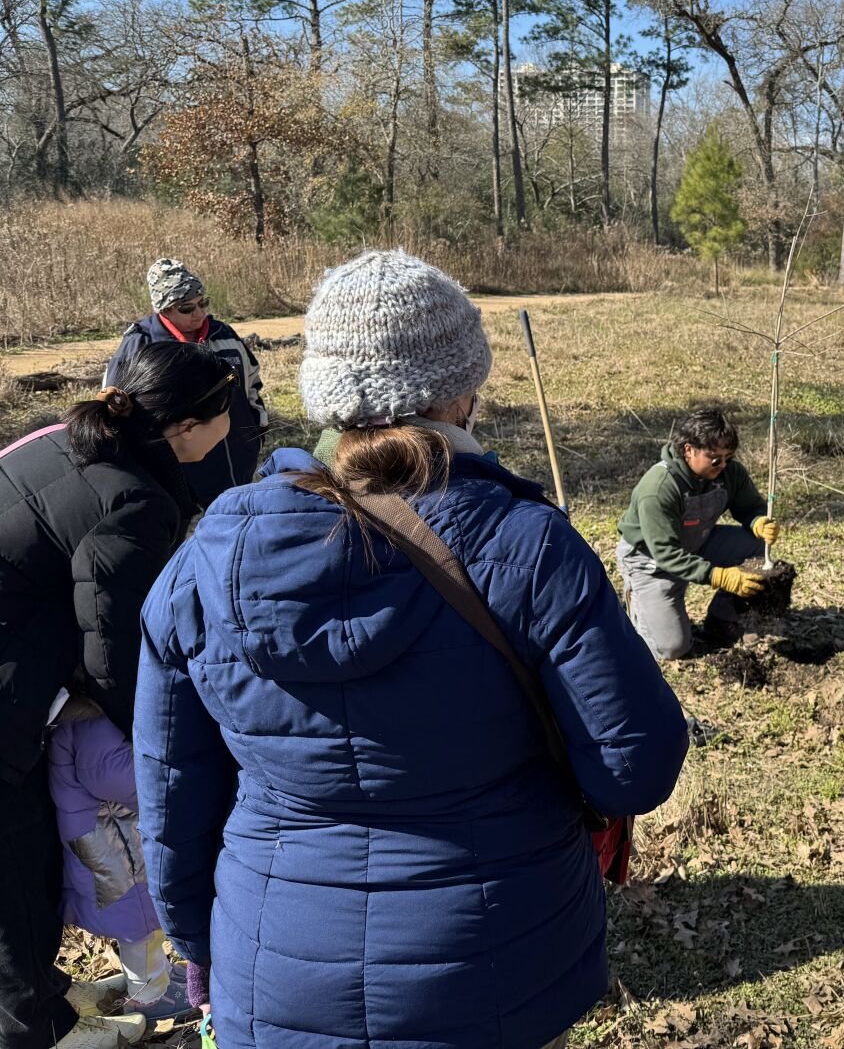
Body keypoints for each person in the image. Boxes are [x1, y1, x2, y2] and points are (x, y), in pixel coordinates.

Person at [134, 250, 689, 1049]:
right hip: (495, 965)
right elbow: (635, 764)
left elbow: (172, 797)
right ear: (459, 388)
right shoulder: (526, 544)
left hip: (278, 963)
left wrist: (201, 949)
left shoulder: (203, 560)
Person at [0, 343, 235, 1049]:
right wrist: (159, 737)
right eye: (229, 411)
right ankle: (32, 1027)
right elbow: (116, 649)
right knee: (14, 876)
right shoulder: (135, 499)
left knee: (29, 854)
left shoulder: (63, 439)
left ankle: (49, 998)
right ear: (188, 428)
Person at [45, 694, 196, 1024]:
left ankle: (158, 976)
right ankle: (149, 997)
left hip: (108, 838)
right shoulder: (91, 726)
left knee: (141, 921)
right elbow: (125, 781)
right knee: (139, 919)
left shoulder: (78, 723)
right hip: (113, 847)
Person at [615, 406, 782, 661]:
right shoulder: (659, 488)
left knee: (752, 546)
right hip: (650, 561)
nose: (723, 464)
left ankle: (722, 620)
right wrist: (719, 576)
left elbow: (748, 507)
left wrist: (758, 521)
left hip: (697, 541)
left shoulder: (730, 473)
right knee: (672, 648)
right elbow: (666, 553)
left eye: (729, 456)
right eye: (715, 458)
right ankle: (635, 611)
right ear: (689, 450)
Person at [104, 258, 268, 507]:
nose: (200, 313)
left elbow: (252, 385)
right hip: (175, 478)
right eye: (187, 308)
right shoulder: (141, 345)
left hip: (234, 467)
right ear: (164, 310)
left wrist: (257, 433)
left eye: (203, 303)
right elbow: (115, 407)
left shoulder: (224, 335)